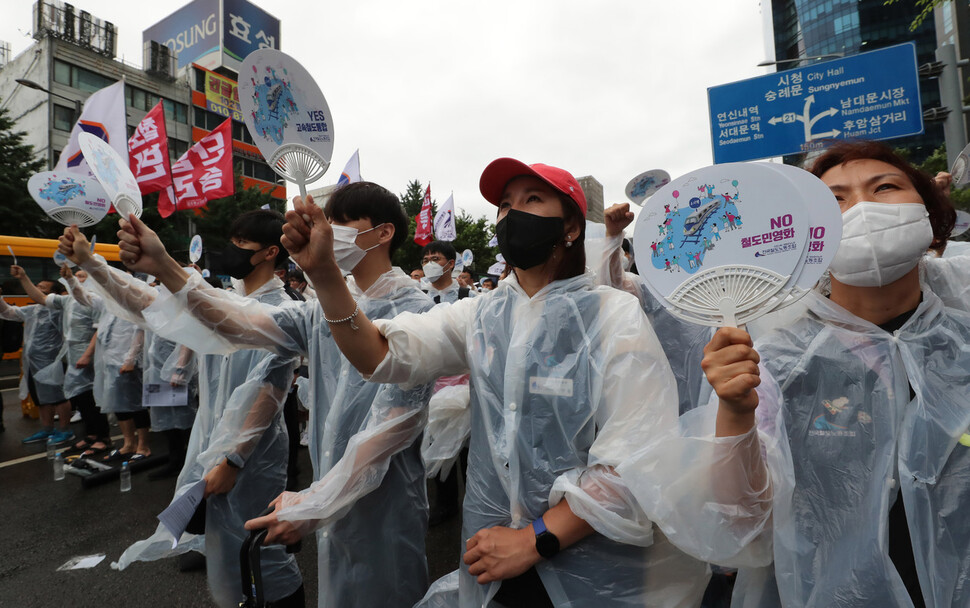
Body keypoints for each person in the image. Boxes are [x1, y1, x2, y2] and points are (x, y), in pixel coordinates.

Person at [263, 159, 709, 607]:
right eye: (503, 204)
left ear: (571, 226)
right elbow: (380, 356)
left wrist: (535, 539)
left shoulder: (614, 316)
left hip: (590, 566)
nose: (512, 214)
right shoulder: (483, 314)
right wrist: (322, 275)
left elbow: (634, 460)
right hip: (491, 556)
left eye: (532, 199)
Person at [662, 140, 970, 607]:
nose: (861, 209)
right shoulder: (778, 363)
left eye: (884, 187)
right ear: (808, 235)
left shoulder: (962, 340)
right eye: (834, 201)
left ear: (930, 217)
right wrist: (735, 413)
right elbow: (740, 523)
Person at [107, 182, 436, 608]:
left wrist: (317, 502)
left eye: (340, 222)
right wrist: (166, 267)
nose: (328, 231)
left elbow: (391, 428)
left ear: (383, 233)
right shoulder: (322, 311)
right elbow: (236, 321)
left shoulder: (418, 312)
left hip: (385, 500)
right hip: (327, 488)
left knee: (386, 592)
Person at [60, 210, 305, 608]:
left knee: (262, 552)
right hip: (211, 444)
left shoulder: (282, 308)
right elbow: (147, 304)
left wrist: (233, 458)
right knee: (224, 548)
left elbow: (271, 392)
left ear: (269, 253)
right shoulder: (225, 299)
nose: (230, 250)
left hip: (251, 456)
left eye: (241, 243)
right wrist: (93, 264)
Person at [17, 264, 110, 455]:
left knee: (93, 399)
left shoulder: (96, 301)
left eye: (83, 276)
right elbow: (40, 297)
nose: (78, 279)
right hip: (72, 358)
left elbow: (100, 330)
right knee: (81, 398)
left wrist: (87, 355)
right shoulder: (68, 301)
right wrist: (24, 277)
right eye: (76, 276)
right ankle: (91, 435)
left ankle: (104, 438)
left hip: (90, 358)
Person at [1, 268, 73, 446]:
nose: (37, 289)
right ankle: (46, 429)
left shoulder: (58, 310)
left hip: (52, 361)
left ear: (54, 295)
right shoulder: (34, 309)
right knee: (41, 398)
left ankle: (65, 430)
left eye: (42, 287)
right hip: (33, 362)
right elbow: (9, 313)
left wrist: (24, 277)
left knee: (59, 397)